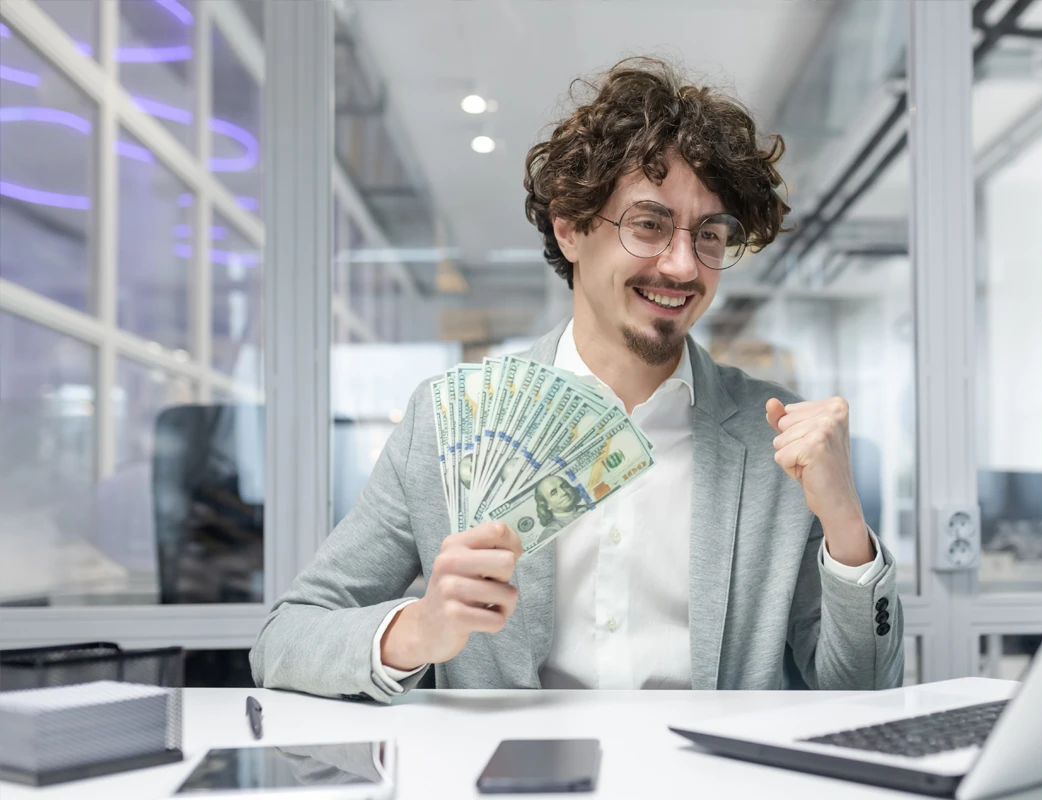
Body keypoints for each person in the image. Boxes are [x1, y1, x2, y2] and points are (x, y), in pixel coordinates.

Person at [250, 57, 903, 700]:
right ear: (570, 228)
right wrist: (417, 630)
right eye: (648, 224)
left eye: (709, 234)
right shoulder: (450, 422)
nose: (682, 266)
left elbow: (868, 690)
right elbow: (286, 638)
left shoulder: (780, 438)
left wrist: (846, 527)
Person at [533, 475, 589, 545]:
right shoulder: (550, 533)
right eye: (554, 493)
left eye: (564, 486)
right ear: (547, 505)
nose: (563, 493)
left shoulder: (591, 507)